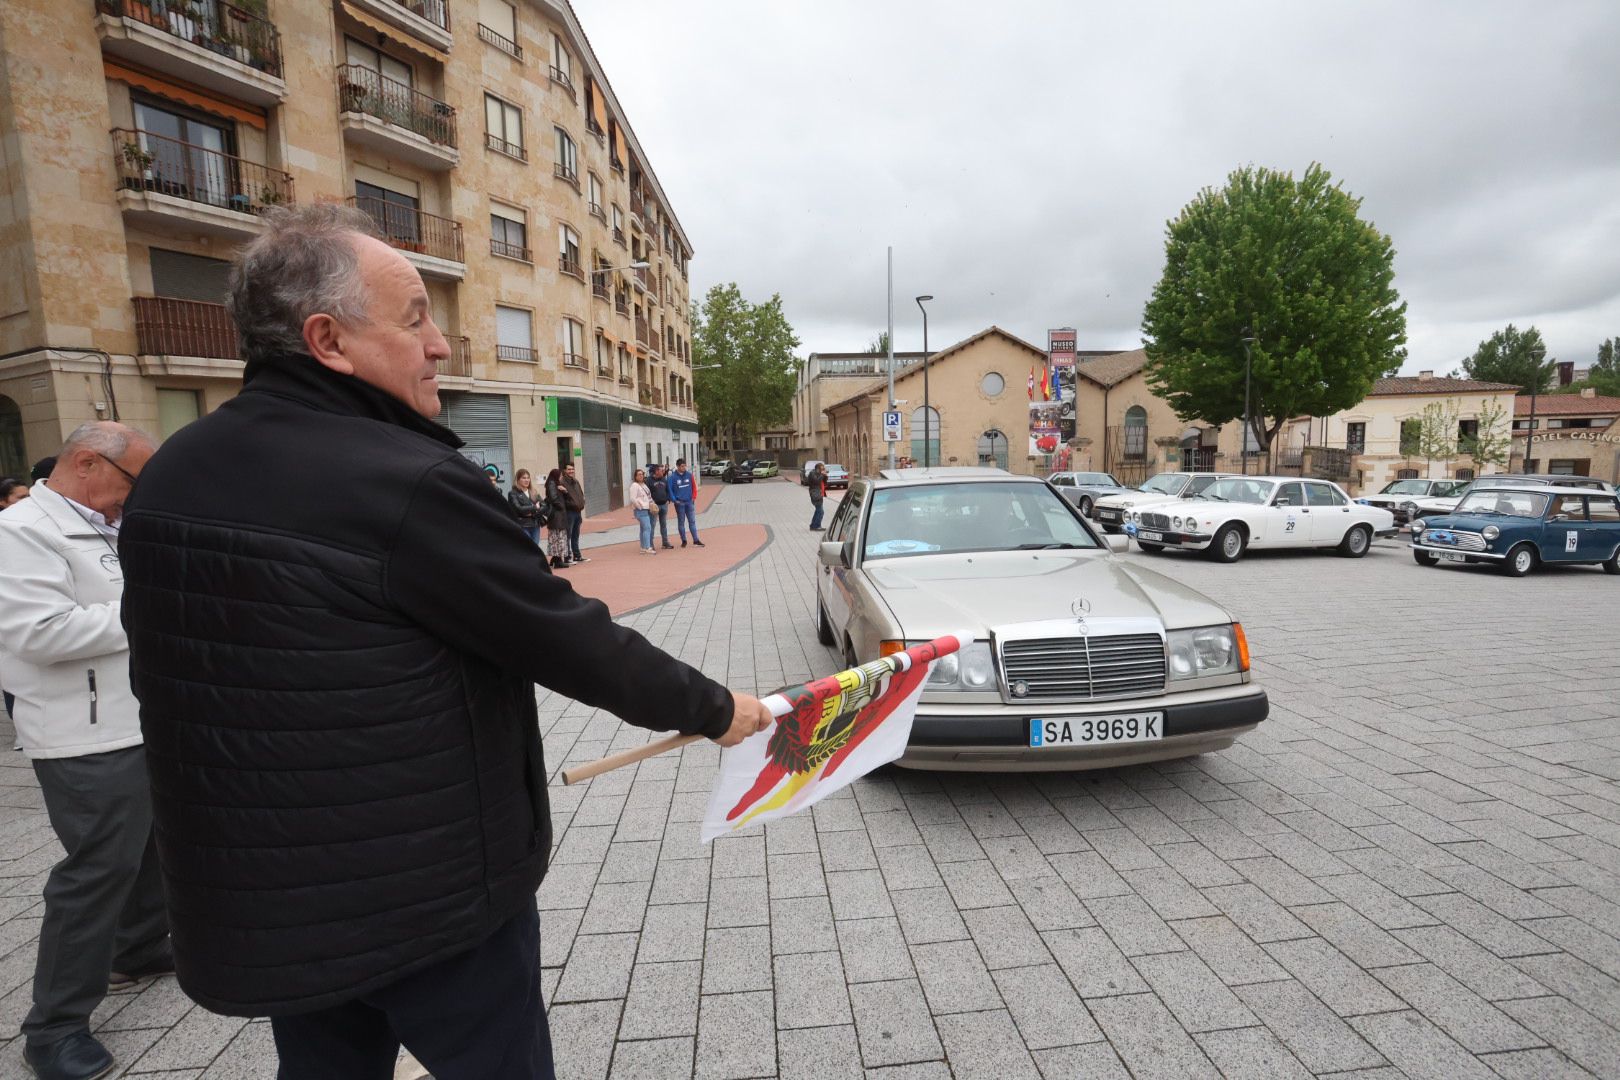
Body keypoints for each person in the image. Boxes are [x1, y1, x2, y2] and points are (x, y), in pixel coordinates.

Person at [116, 204, 775, 1080]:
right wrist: (718, 709)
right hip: (423, 898)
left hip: (267, 899)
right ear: (328, 339)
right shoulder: (407, 481)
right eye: (415, 318)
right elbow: (564, 638)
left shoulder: (170, 473)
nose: (440, 346)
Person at [0, 422, 170, 1080]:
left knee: (151, 848)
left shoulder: (109, 525)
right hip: (83, 735)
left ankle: (137, 947)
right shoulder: (20, 536)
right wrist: (148, 605)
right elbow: (38, 634)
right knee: (95, 873)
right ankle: (54, 1027)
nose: (134, 497)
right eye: (131, 482)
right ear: (86, 462)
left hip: (139, 720)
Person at [668, 458, 704, 547]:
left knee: (692, 521)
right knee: (681, 522)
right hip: (679, 503)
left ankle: (696, 540)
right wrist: (674, 500)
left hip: (689, 502)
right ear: (677, 466)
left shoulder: (689, 475)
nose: (684, 468)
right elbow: (670, 490)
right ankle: (684, 540)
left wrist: (693, 498)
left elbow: (694, 487)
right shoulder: (672, 477)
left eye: (685, 466)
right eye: (682, 466)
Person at [560, 462, 587, 564]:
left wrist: (582, 502)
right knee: (568, 535)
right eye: (569, 469)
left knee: (576, 534)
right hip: (569, 512)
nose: (571, 471)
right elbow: (562, 499)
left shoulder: (575, 481)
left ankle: (577, 556)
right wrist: (571, 504)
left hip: (578, 512)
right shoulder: (561, 482)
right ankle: (567, 557)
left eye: (572, 469)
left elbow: (580, 493)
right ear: (564, 470)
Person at [543, 468, 571, 569]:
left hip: (558, 515)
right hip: (556, 516)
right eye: (560, 475)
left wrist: (565, 491)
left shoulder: (556, 484)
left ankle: (555, 558)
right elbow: (554, 498)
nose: (562, 477)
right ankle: (558, 560)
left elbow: (565, 498)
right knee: (558, 537)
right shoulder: (552, 484)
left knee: (558, 537)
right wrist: (561, 507)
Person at [508, 469, 541, 544]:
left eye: (528, 478)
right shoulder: (513, 493)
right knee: (527, 547)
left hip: (535, 524)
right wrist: (535, 507)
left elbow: (544, 506)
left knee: (536, 548)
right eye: (523, 478)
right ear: (518, 480)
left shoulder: (533, 491)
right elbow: (519, 509)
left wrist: (532, 512)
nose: (526, 480)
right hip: (523, 525)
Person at [629, 468, 656, 554]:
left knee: (643, 528)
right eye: (639, 475)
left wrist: (652, 503)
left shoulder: (644, 484)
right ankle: (647, 547)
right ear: (635, 476)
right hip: (641, 509)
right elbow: (632, 498)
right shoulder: (634, 485)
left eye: (642, 474)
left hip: (647, 508)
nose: (641, 476)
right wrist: (639, 506)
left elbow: (648, 496)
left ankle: (643, 547)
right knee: (647, 527)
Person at [649, 464, 673, 549]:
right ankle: (650, 545)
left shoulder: (664, 479)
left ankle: (665, 542)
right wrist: (651, 503)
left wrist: (668, 500)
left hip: (664, 505)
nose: (663, 471)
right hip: (655, 506)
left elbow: (667, 490)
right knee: (652, 525)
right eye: (661, 470)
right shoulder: (649, 480)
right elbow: (647, 494)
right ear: (656, 471)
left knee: (663, 524)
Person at [808, 462, 828, 531]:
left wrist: (825, 476)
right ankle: (817, 526)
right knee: (820, 511)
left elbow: (824, 483)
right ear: (817, 469)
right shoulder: (812, 473)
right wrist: (822, 474)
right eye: (821, 468)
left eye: (823, 468)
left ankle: (813, 525)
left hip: (820, 494)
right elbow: (816, 481)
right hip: (815, 495)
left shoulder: (819, 474)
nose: (823, 470)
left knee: (818, 511)